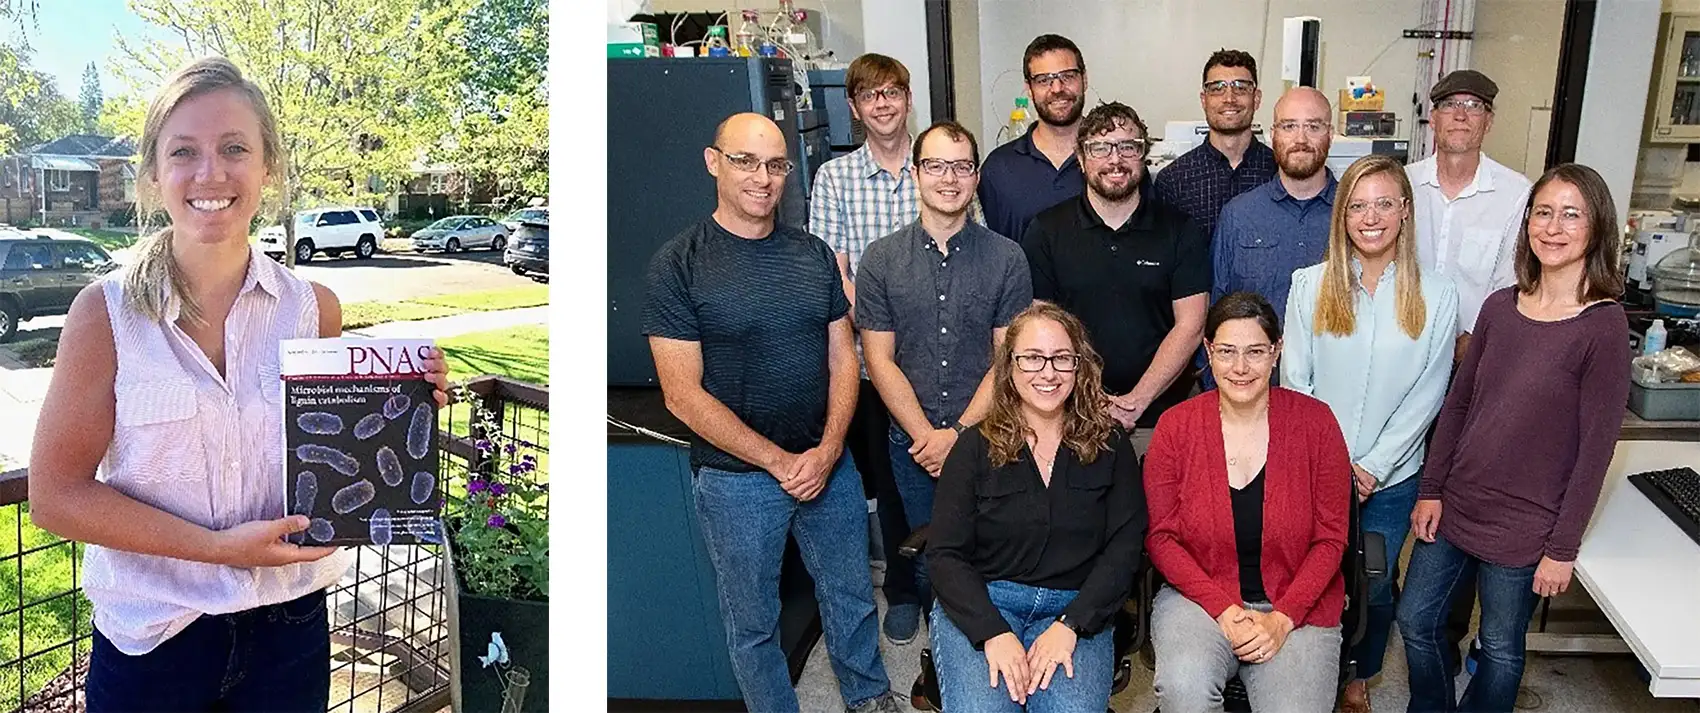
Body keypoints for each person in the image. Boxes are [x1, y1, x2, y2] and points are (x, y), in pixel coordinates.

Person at [26, 56, 453, 712]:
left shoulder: (313, 309)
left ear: (267, 168)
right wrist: (216, 549)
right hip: (155, 637)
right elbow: (56, 496)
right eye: (184, 152)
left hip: (291, 628)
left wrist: (409, 399)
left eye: (234, 148)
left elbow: (331, 450)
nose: (210, 173)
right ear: (153, 175)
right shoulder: (105, 315)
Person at [643, 112, 900, 713]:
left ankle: (868, 699)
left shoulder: (812, 254)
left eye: (776, 164)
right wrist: (782, 463)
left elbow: (845, 357)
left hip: (828, 465)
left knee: (852, 596)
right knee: (753, 621)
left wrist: (830, 449)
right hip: (738, 482)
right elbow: (682, 395)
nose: (763, 177)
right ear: (714, 162)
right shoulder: (678, 263)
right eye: (746, 161)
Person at [1396, 163, 1630, 713]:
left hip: (1528, 524)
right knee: (1415, 618)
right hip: (1457, 503)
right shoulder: (1501, 306)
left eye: (1571, 215)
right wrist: (1432, 488)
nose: (1553, 227)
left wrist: (1562, 549)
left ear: (1597, 228)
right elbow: (1459, 405)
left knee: (1500, 647)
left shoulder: (1604, 327)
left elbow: (1596, 452)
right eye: (1542, 213)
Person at [1281, 154, 1459, 713]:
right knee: (1320, 576)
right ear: (1343, 216)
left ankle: (1360, 678)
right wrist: (1334, 465)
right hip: (1318, 473)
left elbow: (1428, 393)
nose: (1371, 216)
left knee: (1376, 581)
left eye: (1384, 203)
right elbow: (1295, 383)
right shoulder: (1310, 286)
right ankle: (1315, 677)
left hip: (1391, 480)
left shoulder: (1438, 294)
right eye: (1358, 205)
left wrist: (1374, 466)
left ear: (1405, 211)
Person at [926, 302, 1146, 713]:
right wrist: (993, 632)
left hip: (1076, 606)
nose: (1048, 372)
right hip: (986, 600)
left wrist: (1073, 625)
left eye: (1062, 358)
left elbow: (1125, 546)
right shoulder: (973, 448)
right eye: (1032, 358)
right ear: (1009, 367)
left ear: (1079, 367)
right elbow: (944, 555)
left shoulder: (1110, 444)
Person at [856, 121, 1032, 631]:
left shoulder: (1006, 258)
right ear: (915, 174)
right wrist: (926, 437)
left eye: (961, 167)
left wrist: (957, 435)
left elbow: (1008, 359)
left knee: (985, 552)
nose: (948, 178)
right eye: (935, 165)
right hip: (909, 443)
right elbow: (879, 360)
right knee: (929, 549)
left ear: (976, 178)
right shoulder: (881, 260)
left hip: (988, 438)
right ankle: (942, 644)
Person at [1143, 291, 1352, 713]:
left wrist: (1283, 617)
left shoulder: (1317, 423)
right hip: (1199, 597)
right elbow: (1162, 537)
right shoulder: (1175, 427)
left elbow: (1331, 539)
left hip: (1298, 604)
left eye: (1255, 352)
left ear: (1277, 351)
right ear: (1208, 352)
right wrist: (1223, 609)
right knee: (1185, 693)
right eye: (1227, 352)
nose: (1240, 368)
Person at [1403, 68, 1534, 676]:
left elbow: (1515, 289)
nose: (1460, 115)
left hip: (1475, 371)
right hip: (1402, 364)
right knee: (1402, 490)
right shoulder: (1402, 186)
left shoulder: (1517, 195)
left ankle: (1451, 636)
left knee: (1457, 499)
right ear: (1433, 117)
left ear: (1488, 119)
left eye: (1474, 106)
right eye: (1450, 105)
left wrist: (1467, 346)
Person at [806, 51, 929, 646]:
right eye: (870, 94)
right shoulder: (834, 179)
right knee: (891, 478)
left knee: (954, 473)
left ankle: (956, 585)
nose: (883, 103)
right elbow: (835, 274)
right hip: (870, 364)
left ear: (908, 99)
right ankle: (905, 589)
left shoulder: (936, 166)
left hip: (944, 359)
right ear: (854, 108)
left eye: (893, 91)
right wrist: (884, 330)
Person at [1022, 101, 1209, 445]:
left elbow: (1191, 326)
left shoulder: (1180, 231)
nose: (1115, 159)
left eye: (1128, 146)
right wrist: (1090, 402)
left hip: (1161, 421)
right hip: (1071, 419)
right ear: (1080, 158)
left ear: (1144, 156)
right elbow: (1040, 331)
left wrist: (1135, 402)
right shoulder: (1046, 231)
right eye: (1100, 147)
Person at [1203, 86, 1337, 390]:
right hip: (1252, 392)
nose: (1300, 139)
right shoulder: (1239, 216)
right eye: (1289, 126)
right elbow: (1214, 311)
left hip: (1336, 394)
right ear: (1273, 134)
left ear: (1330, 134)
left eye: (1313, 126)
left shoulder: (1354, 216)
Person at [1153, 48, 1279, 239]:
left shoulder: (1278, 172)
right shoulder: (1173, 181)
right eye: (1217, 88)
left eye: (1241, 88)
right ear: (1204, 100)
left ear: (1257, 98)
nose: (1229, 98)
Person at [979, 34, 1088, 242]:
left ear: (1084, 79)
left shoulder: (1114, 163)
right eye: (1044, 80)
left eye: (1067, 76)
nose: (1057, 88)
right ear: (1029, 89)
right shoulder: (998, 169)